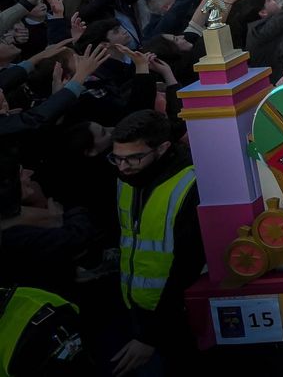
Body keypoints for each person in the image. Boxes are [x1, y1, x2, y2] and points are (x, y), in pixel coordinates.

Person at [110, 110, 201, 375]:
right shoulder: (127, 179)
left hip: (178, 316)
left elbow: (187, 266)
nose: (123, 167)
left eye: (134, 158)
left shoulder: (189, 185)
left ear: (162, 149)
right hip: (138, 310)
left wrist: (151, 335)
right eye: (117, 158)